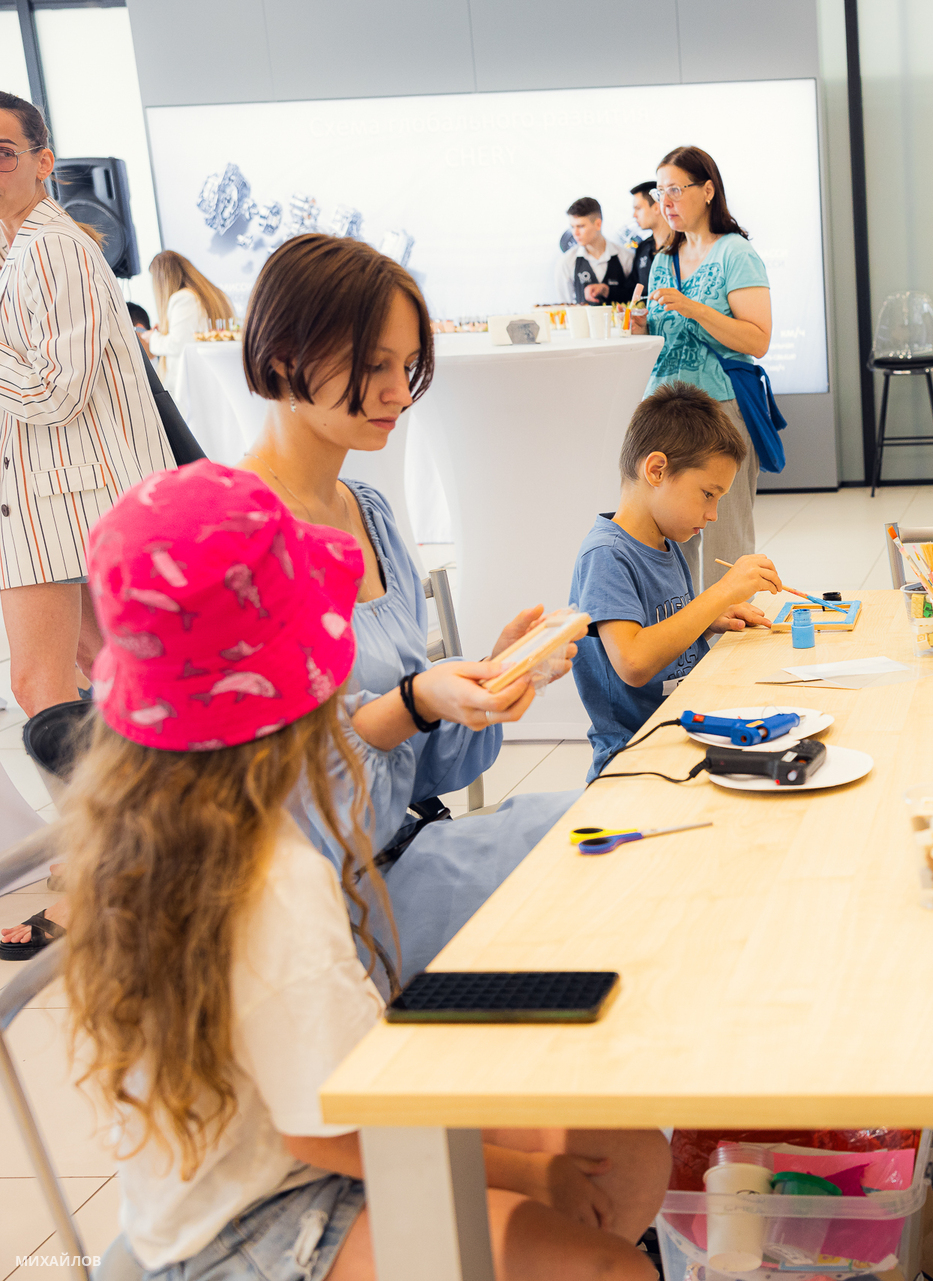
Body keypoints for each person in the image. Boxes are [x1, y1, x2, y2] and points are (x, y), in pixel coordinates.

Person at [61, 459, 669, 1281]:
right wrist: (527, 1171)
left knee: (626, 1157)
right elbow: (334, 1125)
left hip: (285, 1143)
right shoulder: (271, 878)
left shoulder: (160, 824)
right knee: (608, 1264)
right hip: (255, 1215)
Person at [238, 232, 581, 983]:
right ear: (284, 358)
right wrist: (418, 700)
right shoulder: (242, 537)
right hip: (327, 913)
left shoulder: (366, 510)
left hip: (410, 852)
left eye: (407, 366)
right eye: (374, 366)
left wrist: (484, 680)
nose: (399, 392)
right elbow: (299, 822)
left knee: (625, 825)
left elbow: (416, 764)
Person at [0, 91, 173, 715]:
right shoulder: (20, 249)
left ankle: (120, 790)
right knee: (114, 670)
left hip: (63, 500)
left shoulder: (54, 248)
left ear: (43, 162)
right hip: (54, 498)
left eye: (2, 153)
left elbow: (55, 392)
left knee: (40, 685)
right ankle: (165, 777)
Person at [571, 383, 783, 780]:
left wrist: (708, 619)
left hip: (686, 730)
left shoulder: (666, 543)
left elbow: (659, 626)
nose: (713, 514)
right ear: (656, 470)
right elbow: (633, 662)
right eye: (708, 494)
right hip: (635, 755)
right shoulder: (606, 554)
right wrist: (719, 593)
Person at [643, 145, 773, 590]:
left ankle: (731, 631)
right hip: (665, 412)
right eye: (660, 192)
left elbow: (757, 339)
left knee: (724, 538)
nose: (666, 201)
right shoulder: (663, 259)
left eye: (676, 189)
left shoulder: (735, 253)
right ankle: (682, 631)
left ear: (708, 190)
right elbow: (662, 334)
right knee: (669, 538)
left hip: (718, 411)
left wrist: (694, 308)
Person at [145, 248, 236, 400]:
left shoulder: (183, 298)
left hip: (192, 387)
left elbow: (178, 343)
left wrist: (153, 337)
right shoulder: (215, 296)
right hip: (214, 381)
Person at [556, 196, 639, 305]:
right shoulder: (566, 262)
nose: (575, 233)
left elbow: (635, 299)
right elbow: (565, 306)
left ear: (598, 224)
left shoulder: (626, 257)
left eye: (580, 226)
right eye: (572, 227)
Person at [627, 179, 663, 302]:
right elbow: (630, 290)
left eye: (638, 208)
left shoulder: (683, 246)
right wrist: (606, 291)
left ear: (657, 207)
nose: (634, 215)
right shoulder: (643, 247)